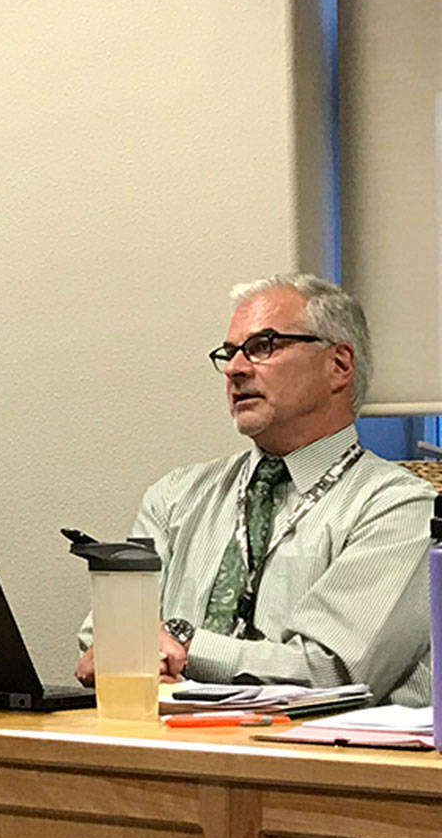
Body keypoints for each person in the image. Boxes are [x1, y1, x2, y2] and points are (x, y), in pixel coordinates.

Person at [74, 274, 433, 705]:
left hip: (315, 745)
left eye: (263, 346)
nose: (235, 368)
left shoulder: (401, 508)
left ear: (338, 365)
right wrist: (122, 648)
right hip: (167, 738)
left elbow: (331, 670)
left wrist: (181, 643)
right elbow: (106, 632)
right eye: (229, 353)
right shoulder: (175, 497)